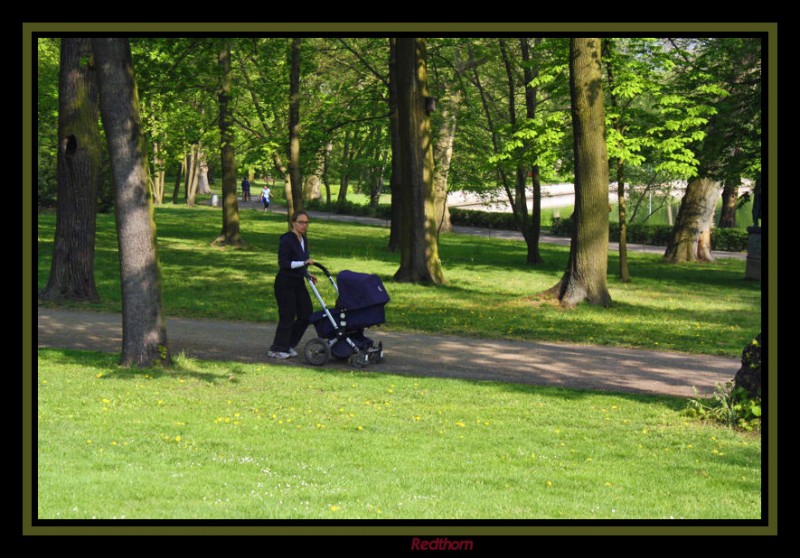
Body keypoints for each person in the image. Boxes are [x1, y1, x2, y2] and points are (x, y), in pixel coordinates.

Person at [267, 210, 317, 359]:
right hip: (285, 282)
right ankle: (277, 348)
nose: (304, 225)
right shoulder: (287, 239)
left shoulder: (303, 240)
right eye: (301, 222)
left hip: (298, 282)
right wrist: (303, 263)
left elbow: (301, 263)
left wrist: (307, 274)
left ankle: (288, 344)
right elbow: (284, 263)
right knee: (287, 315)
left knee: (306, 314)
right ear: (293, 223)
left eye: (306, 222)